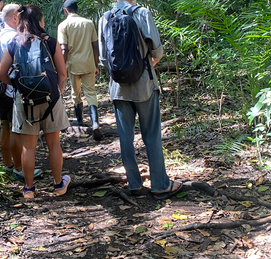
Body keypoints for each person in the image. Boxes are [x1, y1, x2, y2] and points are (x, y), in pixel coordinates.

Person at [98, 0, 182, 200]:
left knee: (125, 137)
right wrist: (148, 61)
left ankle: (134, 184)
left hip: (118, 86)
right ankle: (160, 185)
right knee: (151, 134)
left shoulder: (105, 17)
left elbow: (102, 59)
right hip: (144, 83)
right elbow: (157, 51)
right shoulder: (142, 13)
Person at [0, 4, 70, 199]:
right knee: (54, 143)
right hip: (51, 100)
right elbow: (62, 73)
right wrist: (58, 90)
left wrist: (17, 84)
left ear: (21, 22)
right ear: (39, 21)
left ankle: (29, 189)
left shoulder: (14, 43)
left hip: (24, 101)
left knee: (28, 147)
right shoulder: (50, 42)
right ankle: (58, 185)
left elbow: (0, 73)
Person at [0, 4, 42, 181]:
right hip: (10, 90)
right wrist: (14, 85)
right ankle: (19, 168)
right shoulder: (13, 38)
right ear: (15, 18)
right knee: (16, 130)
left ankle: (8, 164)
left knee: (5, 125)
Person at [57, 0, 103, 141]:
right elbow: (95, 45)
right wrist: (96, 64)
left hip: (73, 65)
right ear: (77, 9)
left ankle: (80, 121)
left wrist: (61, 68)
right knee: (91, 92)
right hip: (88, 63)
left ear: (65, 10)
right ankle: (95, 123)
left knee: (75, 93)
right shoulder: (88, 23)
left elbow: (63, 48)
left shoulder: (63, 25)